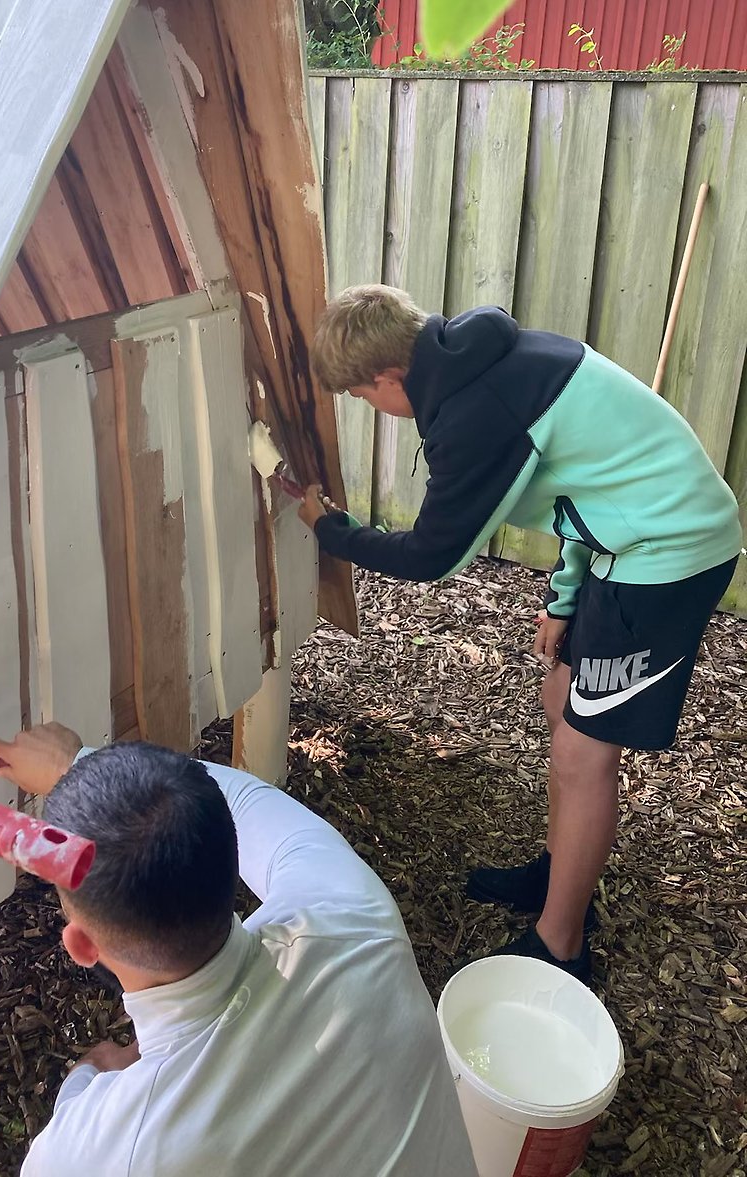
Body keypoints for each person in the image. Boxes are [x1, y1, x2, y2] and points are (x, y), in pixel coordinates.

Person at [299, 283, 743, 984]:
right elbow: (587, 485)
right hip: (625, 538)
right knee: (559, 698)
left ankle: (561, 942)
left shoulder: (475, 412)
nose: (369, 406)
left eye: (361, 395)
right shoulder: (492, 360)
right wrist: (563, 600)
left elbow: (433, 555)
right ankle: (558, 872)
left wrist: (331, 531)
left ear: (387, 376)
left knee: (583, 752)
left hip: (669, 552)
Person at [0, 723, 478, 1177]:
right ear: (233, 855)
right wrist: (73, 764)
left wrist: (84, 1079)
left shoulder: (106, 1152)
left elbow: (80, 1131)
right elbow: (246, 800)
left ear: (81, 945)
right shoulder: (351, 915)